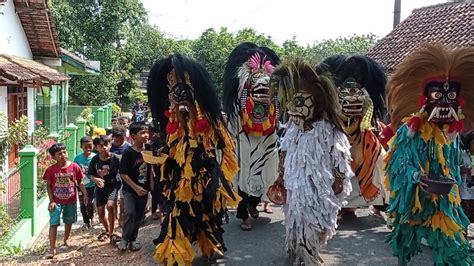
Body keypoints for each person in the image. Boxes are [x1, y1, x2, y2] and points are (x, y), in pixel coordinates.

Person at [145, 54, 240, 264]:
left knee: (207, 213)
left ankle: (209, 244)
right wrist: (162, 157)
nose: (177, 92)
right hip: (179, 180)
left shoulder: (208, 119)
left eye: (182, 83)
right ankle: (175, 252)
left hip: (204, 176)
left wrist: (222, 175)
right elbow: (172, 145)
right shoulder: (170, 121)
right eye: (172, 84)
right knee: (176, 214)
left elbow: (223, 145)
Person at [384, 44, 474, 265]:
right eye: (437, 94)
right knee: (404, 242)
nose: (444, 102)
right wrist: (416, 177)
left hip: (442, 203)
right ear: (423, 99)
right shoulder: (409, 132)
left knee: (452, 247)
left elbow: (451, 166)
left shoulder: (451, 135)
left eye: (451, 95)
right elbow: (397, 164)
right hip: (411, 201)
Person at [272, 58, 353, 265]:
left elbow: (340, 156)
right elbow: (285, 151)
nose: (291, 108)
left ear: (316, 101)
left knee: (318, 222)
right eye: (289, 102)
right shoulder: (293, 129)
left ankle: (305, 248)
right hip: (295, 184)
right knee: (297, 217)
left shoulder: (329, 131)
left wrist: (339, 177)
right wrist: (280, 176)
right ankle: (302, 252)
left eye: (298, 102)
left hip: (321, 189)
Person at [321, 55, 388, 218]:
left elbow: (369, 111)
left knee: (378, 161)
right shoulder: (333, 100)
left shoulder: (365, 98)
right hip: (336, 133)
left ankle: (354, 205)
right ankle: (335, 205)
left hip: (361, 135)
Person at [222, 42, 281, 230]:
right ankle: (243, 212)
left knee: (265, 171)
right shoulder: (242, 85)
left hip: (267, 134)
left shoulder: (273, 85)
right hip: (242, 133)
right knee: (242, 173)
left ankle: (254, 203)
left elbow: (277, 101)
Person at [43, 143, 88, 259]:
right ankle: (52, 248)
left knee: (69, 220)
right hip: (56, 202)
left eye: (64, 152)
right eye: (59, 154)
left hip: (71, 200)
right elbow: (48, 185)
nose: (63, 155)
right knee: (54, 223)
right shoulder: (50, 170)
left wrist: (85, 194)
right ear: (53, 157)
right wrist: (51, 201)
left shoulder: (74, 167)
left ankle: (66, 239)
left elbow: (80, 182)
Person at [118, 121, 150, 252]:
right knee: (130, 212)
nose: (146, 135)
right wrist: (136, 188)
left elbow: (152, 169)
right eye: (142, 132)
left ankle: (134, 239)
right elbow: (123, 174)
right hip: (130, 190)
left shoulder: (149, 150)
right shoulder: (128, 152)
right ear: (133, 136)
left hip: (144, 190)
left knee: (139, 216)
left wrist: (151, 188)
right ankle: (124, 238)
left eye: (147, 132)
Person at [89, 135, 122, 243]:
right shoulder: (94, 160)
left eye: (106, 145)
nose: (104, 148)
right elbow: (90, 174)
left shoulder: (116, 158)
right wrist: (95, 180)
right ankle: (108, 230)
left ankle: (112, 232)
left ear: (110, 145)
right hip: (100, 189)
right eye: (101, 145)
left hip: (113, 187)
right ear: (96, 147)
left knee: (110, 206)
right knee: (101, 213)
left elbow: (124, 171)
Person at [73, 136, 96, 229]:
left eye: (90, 146)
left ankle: (92, 216)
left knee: (90, 203)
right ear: (81, 147)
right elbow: (74, 172)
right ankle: (86, 221)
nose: (88, 149)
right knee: (83, 204)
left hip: (92, 185)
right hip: (81, 185)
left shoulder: (95, 157)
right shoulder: (77, 158)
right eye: (85, 147)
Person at [460, 131, 474, 229]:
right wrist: (466, 169)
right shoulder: (462, 154)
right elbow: (455, 168)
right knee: (465, 212)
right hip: (465, 188)